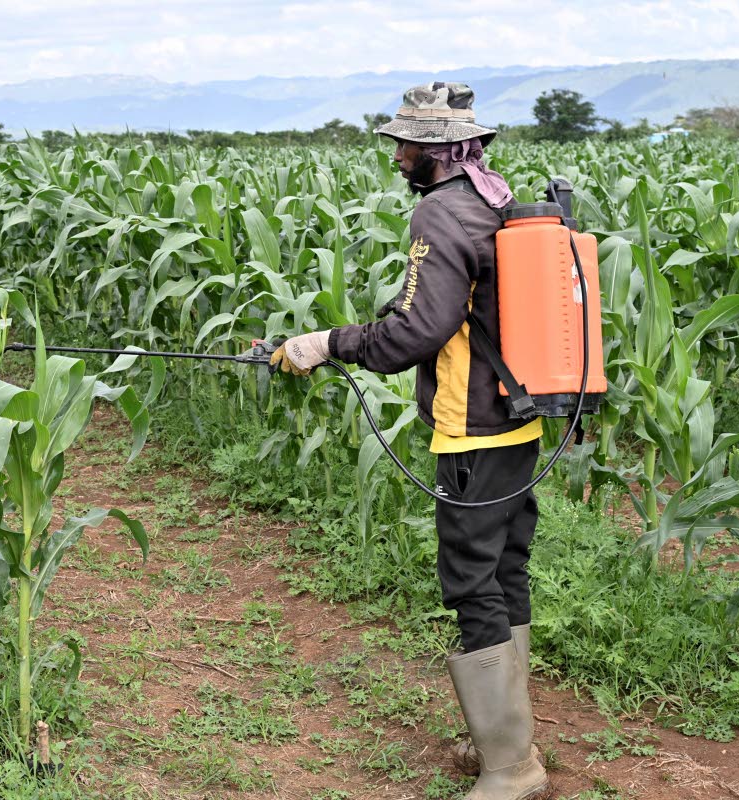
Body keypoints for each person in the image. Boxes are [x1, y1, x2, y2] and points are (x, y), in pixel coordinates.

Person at [269, 82, 549, 800]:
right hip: (519, 413)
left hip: (471, 427)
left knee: (472, 580)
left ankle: (511, 769)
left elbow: (417, 331)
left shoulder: (440, 209)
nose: (395, 156)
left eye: (402, 145)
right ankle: (509, 737)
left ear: (432, 152)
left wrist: (326, 343)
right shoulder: (491, 197)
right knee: (505, 569)